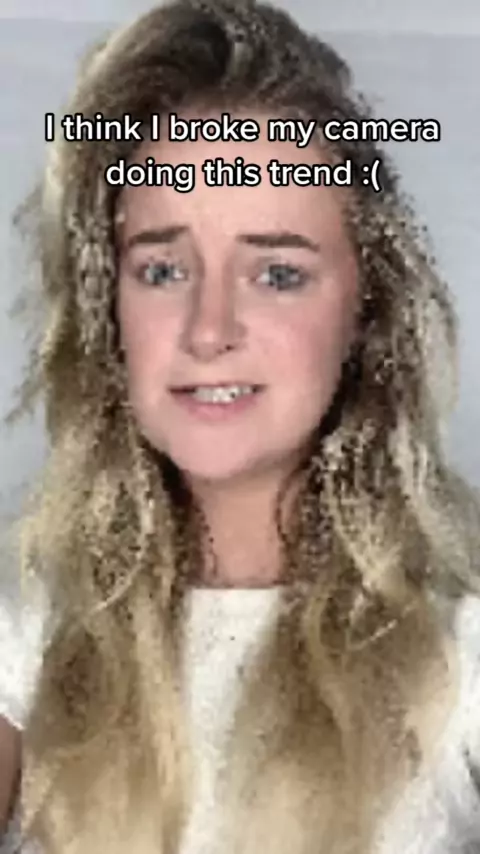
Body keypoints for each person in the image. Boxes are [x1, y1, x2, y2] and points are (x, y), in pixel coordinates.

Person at [0, 0, 479, 851]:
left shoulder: (462, 632)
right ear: (109, 309)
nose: (208, 329)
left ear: (366, 313)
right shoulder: (28, 620)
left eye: (278, 273)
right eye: (162, 268)